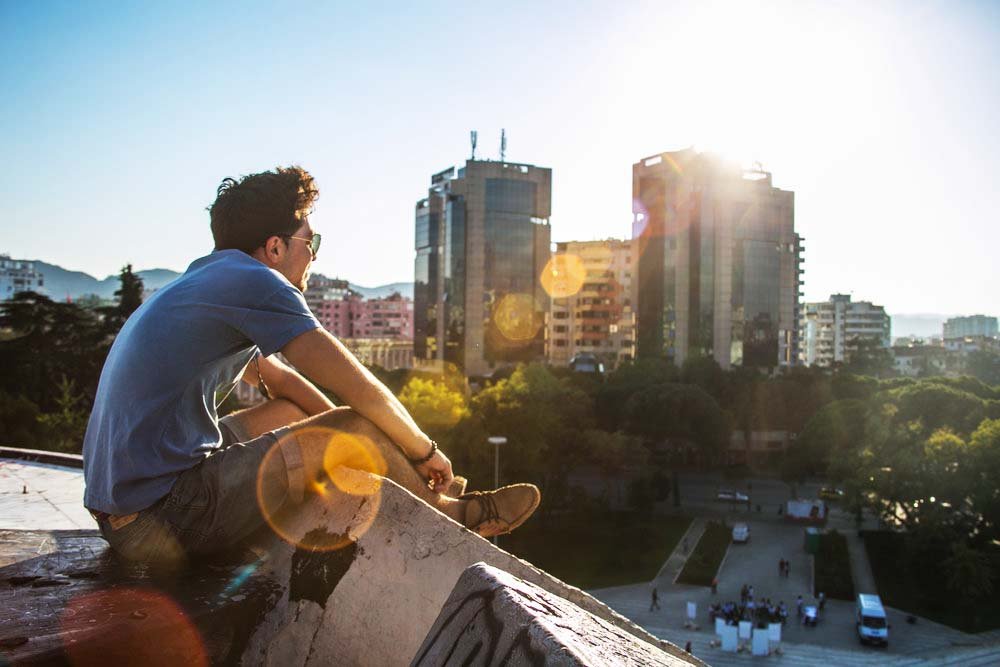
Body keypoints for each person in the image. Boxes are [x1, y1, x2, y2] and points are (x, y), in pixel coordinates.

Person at [82, 167, 541, 565]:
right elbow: (355, 388)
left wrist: (372, 456)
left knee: (304, 418)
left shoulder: (205, 281)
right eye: (311, 240)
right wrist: (421, 452)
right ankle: (457, 516)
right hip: (161, 520)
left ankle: (419, 494)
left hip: (121, 511)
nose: (315, 253)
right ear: (276, 247)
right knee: (353, 427)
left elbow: (287, 386)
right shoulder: (255, 282)